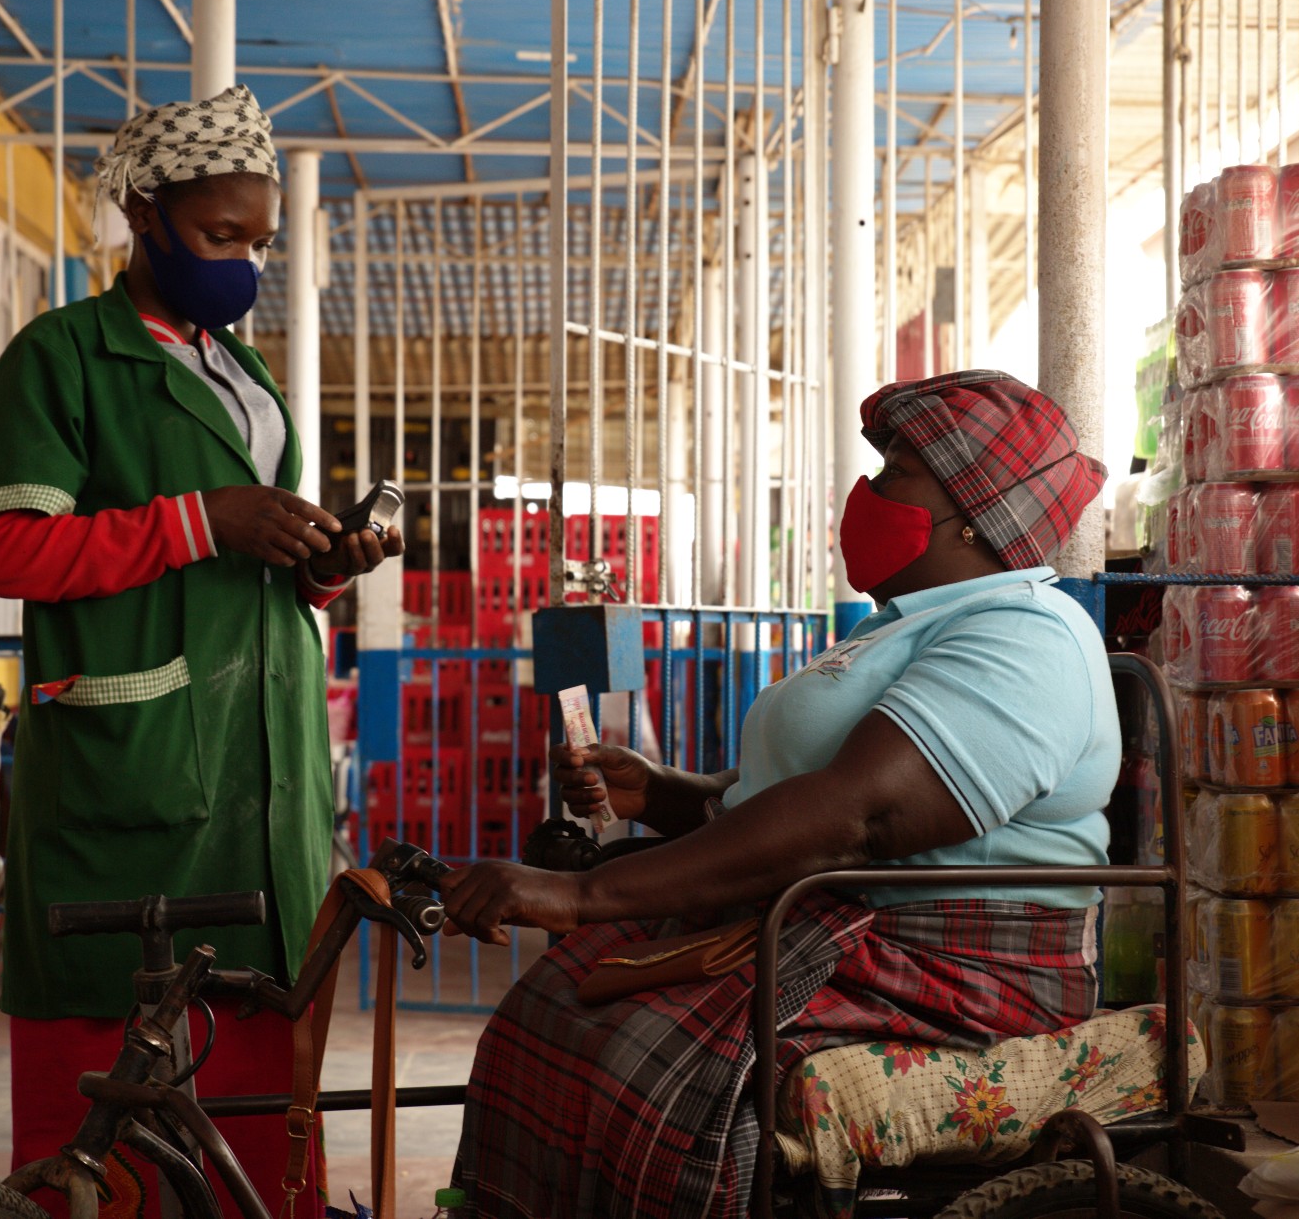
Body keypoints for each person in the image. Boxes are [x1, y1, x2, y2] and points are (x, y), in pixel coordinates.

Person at [439, 371, 1116, 1219]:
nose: (867, 492)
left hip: (947, 963)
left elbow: (857, 816)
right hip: (834, 922)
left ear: (976, 513)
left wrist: (582, 894)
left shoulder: (1026, 635)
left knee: (651, 1061)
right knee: (555, 1003)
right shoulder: (899, 626)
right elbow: (786, 797)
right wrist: (661, 793)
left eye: (897, 472)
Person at [0, 86, 401, 1219]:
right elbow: (5, 548)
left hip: (267, 785)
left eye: (258, 241)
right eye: (220, 236)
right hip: (137, 772)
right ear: (146, 213)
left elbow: (244, 564)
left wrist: (320, 559)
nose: (242, 262)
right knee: (108, 1135)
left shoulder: (242, 375)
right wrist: (202, 520)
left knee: (258, 1125)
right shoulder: (61, 357)